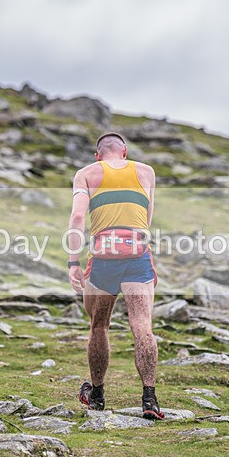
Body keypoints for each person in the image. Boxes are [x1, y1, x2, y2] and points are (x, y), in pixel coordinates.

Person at [67, 132, 164, 420]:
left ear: (98, 155)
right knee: (142, 325)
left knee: (99, 326)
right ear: (125, 152)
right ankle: (150, 399)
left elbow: (76, 218)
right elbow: (147, 216)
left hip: (103, 258)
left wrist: (73, 262)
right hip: (137, 255)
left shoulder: (86, 174)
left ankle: (97, 396)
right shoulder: (146, 172)